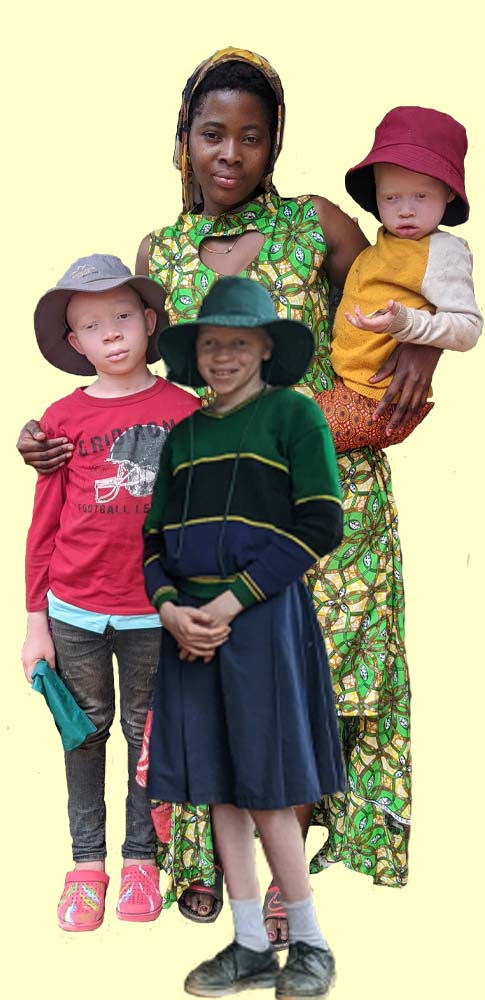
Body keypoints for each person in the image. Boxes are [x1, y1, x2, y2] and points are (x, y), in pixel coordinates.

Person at [16, 48, 446, 945]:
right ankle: (207, 862)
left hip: (326, 486)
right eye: (213, 133)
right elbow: (129, 386)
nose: (231, 153)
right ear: (183, 140)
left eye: (253, 136)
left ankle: (297, 879)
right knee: (226, 680)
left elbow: (398, 287)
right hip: (212, 499)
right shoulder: (158, 252)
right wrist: (48, 439)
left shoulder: (316, 221)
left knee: (319, 681)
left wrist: (423, 347)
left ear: (274, 144)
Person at [144, 275, 344, 999]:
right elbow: (153, 539)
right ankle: (251, 944)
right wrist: (171, 610)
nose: (222, 356)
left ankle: (312, 945)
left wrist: (228, 604)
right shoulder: (185, 435)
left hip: (258, 622)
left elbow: (320, 522)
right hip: (188, 631)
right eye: (209, 344)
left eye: (237, 342)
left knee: (267, 785)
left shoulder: (294, 415)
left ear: (265, 348)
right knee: (222, 790)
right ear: (194, 356)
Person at [22, 254, 202, 931]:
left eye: (123, 316)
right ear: (76, 344)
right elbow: (44, 526)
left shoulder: (185, 412)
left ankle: (140, 863)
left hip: (155, 612)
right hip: (73, 611)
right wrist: (35, 619)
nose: (113, 334)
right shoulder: (60, 420)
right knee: (83, 733)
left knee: (146, 734)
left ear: (149, 322)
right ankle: (86, 866)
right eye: (93, 325)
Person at [317, 106, 483, 449]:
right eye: (391, 198)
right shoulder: (383, 244)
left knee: (281, 432)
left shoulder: (441, 252)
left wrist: (410, 326)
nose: (405, 209)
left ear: (448, 192)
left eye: (421, 196)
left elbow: (468, 327)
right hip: (348, 385)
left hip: (379, 400)